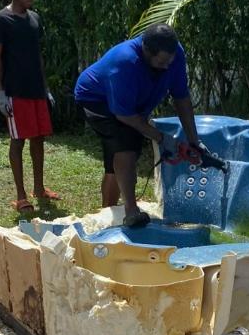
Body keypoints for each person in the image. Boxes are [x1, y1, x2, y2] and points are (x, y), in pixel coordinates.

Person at [74, 24, 214, 227]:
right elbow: (125, 116)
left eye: (170, 61)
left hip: (129, 105)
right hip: (95, 99)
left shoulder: (174, 54)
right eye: (162, 62)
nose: (167, 67)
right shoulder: (125, 62)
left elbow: (181, 97)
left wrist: (195, 141)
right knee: (126, 144)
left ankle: (107, 213)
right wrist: (160, 137)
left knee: (115, 160)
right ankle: (131, 211)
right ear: (146, 51)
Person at [0, 0, 59, 214]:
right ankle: (21, 196)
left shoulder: (35, 18)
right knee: (18, 141)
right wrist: (0, 93)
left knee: (38, 138)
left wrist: (46, 88)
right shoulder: (1, 20)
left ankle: (39, 189)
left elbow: (37, 56)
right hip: (15, 92)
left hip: (36, 91)